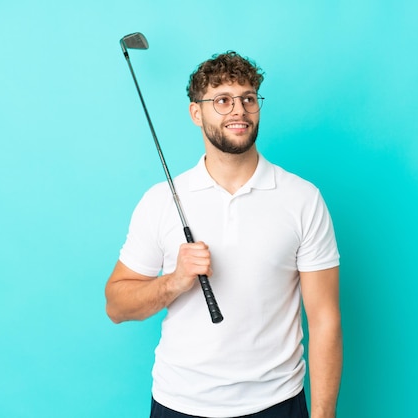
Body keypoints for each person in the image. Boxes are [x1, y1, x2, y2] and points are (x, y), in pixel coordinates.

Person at [105, 51, 342, 418]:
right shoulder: (160, 201)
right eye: (222, 100)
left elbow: (325, 318)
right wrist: (175, 282)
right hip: (179, 404)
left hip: (277, 403)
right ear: (196, 113)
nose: (239, 110)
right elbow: (116, 306)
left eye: (248, 98)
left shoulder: (302, 199)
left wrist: (324, 415)